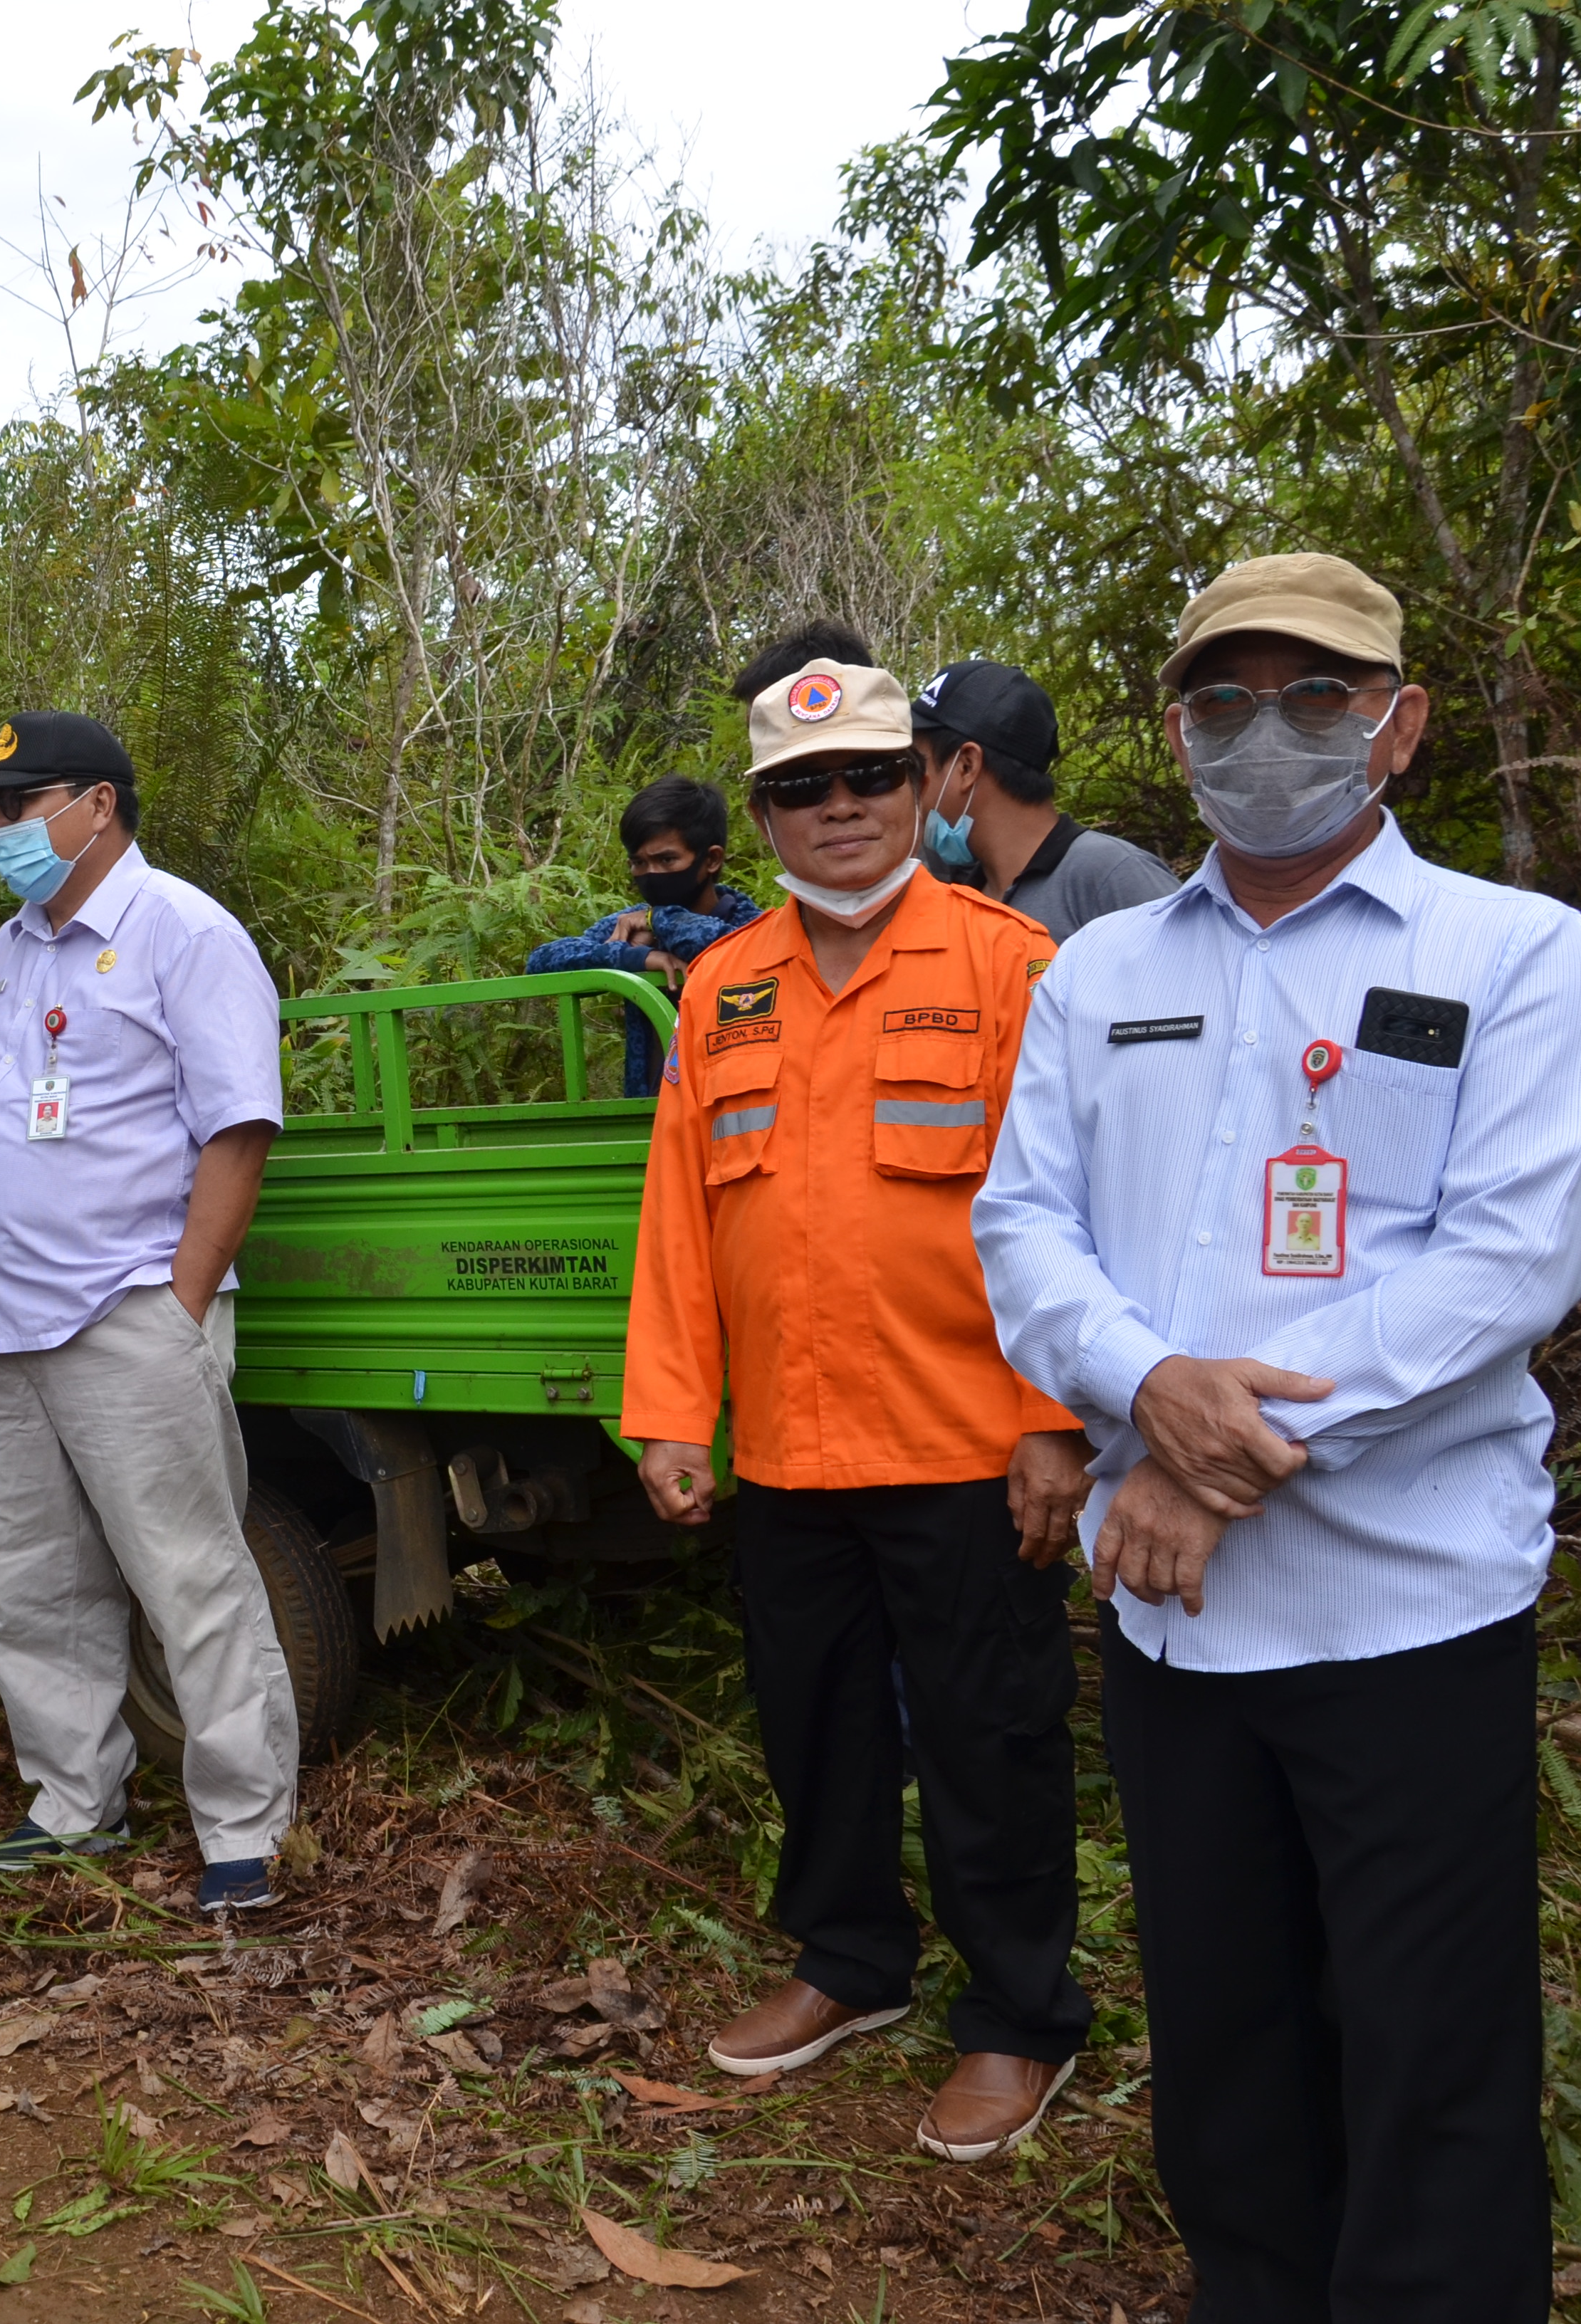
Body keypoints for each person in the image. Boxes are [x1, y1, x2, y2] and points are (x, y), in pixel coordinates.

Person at [974, 552, 1581, 2317]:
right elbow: (1023, 1231)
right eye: (1226, 700)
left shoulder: (1514, 955)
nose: (1271, 734)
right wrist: (1145, 1380)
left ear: (1398, 724)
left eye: (1319, 696)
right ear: (1175, 733)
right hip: (1178, 1629)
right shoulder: (1095, 972)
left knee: (1434, 2064)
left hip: (1408, 1614)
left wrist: (1200, 1455)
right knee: (1230, 2050)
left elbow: (1502, 1265)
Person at [621, 638, 1092, 2165]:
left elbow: (1072, 1215)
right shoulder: (720, 989)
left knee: (987, 1737)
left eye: (868, 779)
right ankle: (848, 1966)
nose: (838, 809)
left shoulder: (1008, 965)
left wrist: (1051, 1419)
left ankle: (1018, 2019)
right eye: (800, 788)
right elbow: (682, 1223)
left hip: (967, 1447)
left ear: (923, 786)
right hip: (797, 1451)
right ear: (760, 816)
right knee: (813, 1728)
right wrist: (674, 1413)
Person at [0, 713, 296, 1915]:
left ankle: (241, 1826)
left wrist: (179, 1301)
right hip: (2, 1325)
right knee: (28, 1580)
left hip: (124, 1308)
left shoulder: (181, 932)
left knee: (188, 1576)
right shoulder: (5, 955)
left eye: (16, 804)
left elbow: (236, 1127)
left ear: (97, 802)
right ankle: (72, 1795)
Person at [521, 776, 766, 1096]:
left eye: (667, 860)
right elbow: (542, 961)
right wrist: (633, 959)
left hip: (733, 1111)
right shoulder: (633, 924)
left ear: (711, 860)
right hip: (651, 1116)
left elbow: (723, 945)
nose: (651, 873)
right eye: (639, 863)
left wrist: (658, 917)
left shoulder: (752, 926)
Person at [909, 660, 1177, 938]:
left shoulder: (1111, 876)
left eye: (916, 765)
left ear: (967, 766)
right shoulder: (966, 895)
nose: (909, 785)